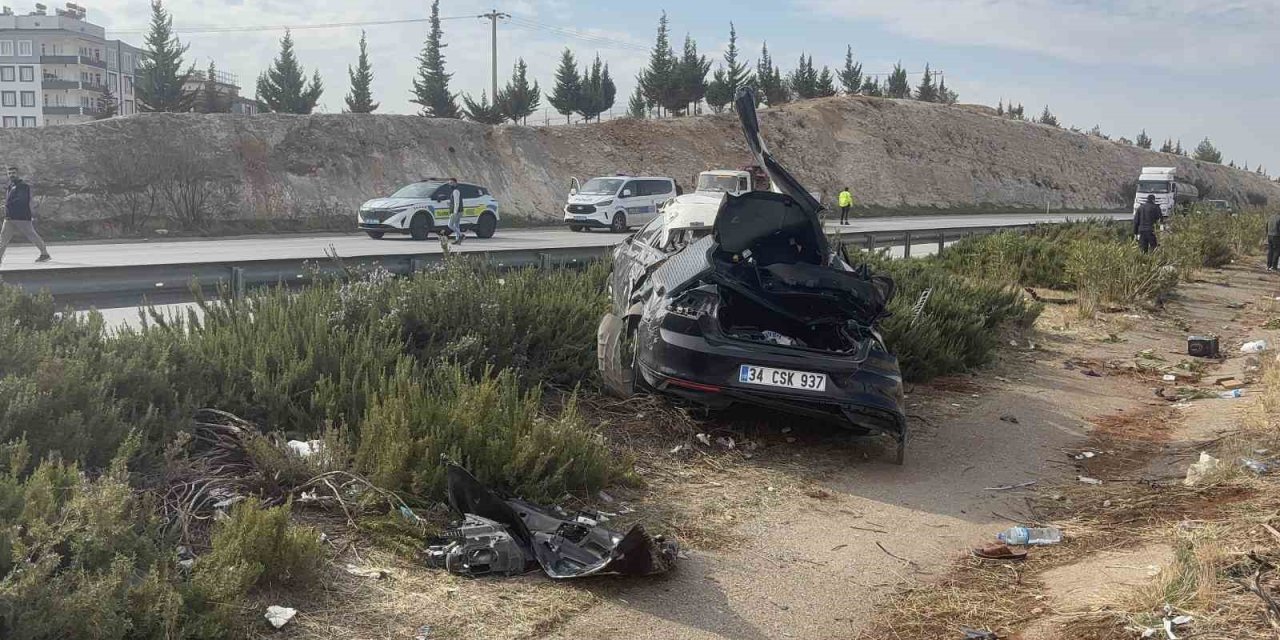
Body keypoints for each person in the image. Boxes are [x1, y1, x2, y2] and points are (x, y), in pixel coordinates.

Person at [1, 166, 51, 266]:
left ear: (18, 173)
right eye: (9, 173)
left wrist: (6, 205)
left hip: (21, 217)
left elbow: (21, 200)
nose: (11, 175)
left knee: (32, 236)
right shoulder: (11, 185)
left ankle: (45, 254)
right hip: (9, 217)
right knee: (2, 239)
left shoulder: (23, 186)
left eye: (13, 173)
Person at [446, 177, 465, 245]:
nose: (450, 184)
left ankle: (461, 235)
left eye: (451, 183)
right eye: (449, 183)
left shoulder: (455, 191)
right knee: (456, 225)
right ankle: (458, 240)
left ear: (455, 183)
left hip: (457, 211)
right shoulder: (456, 190)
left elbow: (457, 202)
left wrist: (455, 212)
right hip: (459, 211)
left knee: (450, 225)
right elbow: (455, 201)